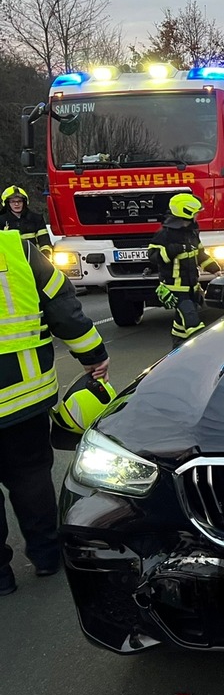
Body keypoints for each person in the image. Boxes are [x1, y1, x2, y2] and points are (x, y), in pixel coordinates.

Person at [0, 229, 109, 596]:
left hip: (22, 397)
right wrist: (94, 356)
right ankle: (46, 556)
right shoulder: (15, 250)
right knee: (30, 475)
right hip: (21, 397)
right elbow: (63, 308)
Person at [148, 193, 221, 348]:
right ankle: (203, 351)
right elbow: (153, 256)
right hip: (175, 289)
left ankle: (178, 347)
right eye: (195, 213)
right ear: (186, 213)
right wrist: (174, 249)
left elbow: (200, 254)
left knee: (181, 324)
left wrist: (214, 268)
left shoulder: (193, 232)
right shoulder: (165, 234)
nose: (197, 217)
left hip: (192, 287)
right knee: (192, 322)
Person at [1, 186, 52, 258]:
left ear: (24, 202)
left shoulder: (36, 219)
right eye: (13, 201)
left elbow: (44, 241)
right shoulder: (1, 221)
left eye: (19, 201)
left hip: (34, 260)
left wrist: (45, 255)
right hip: (11, 262)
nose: (16, 204)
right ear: (7, 203)